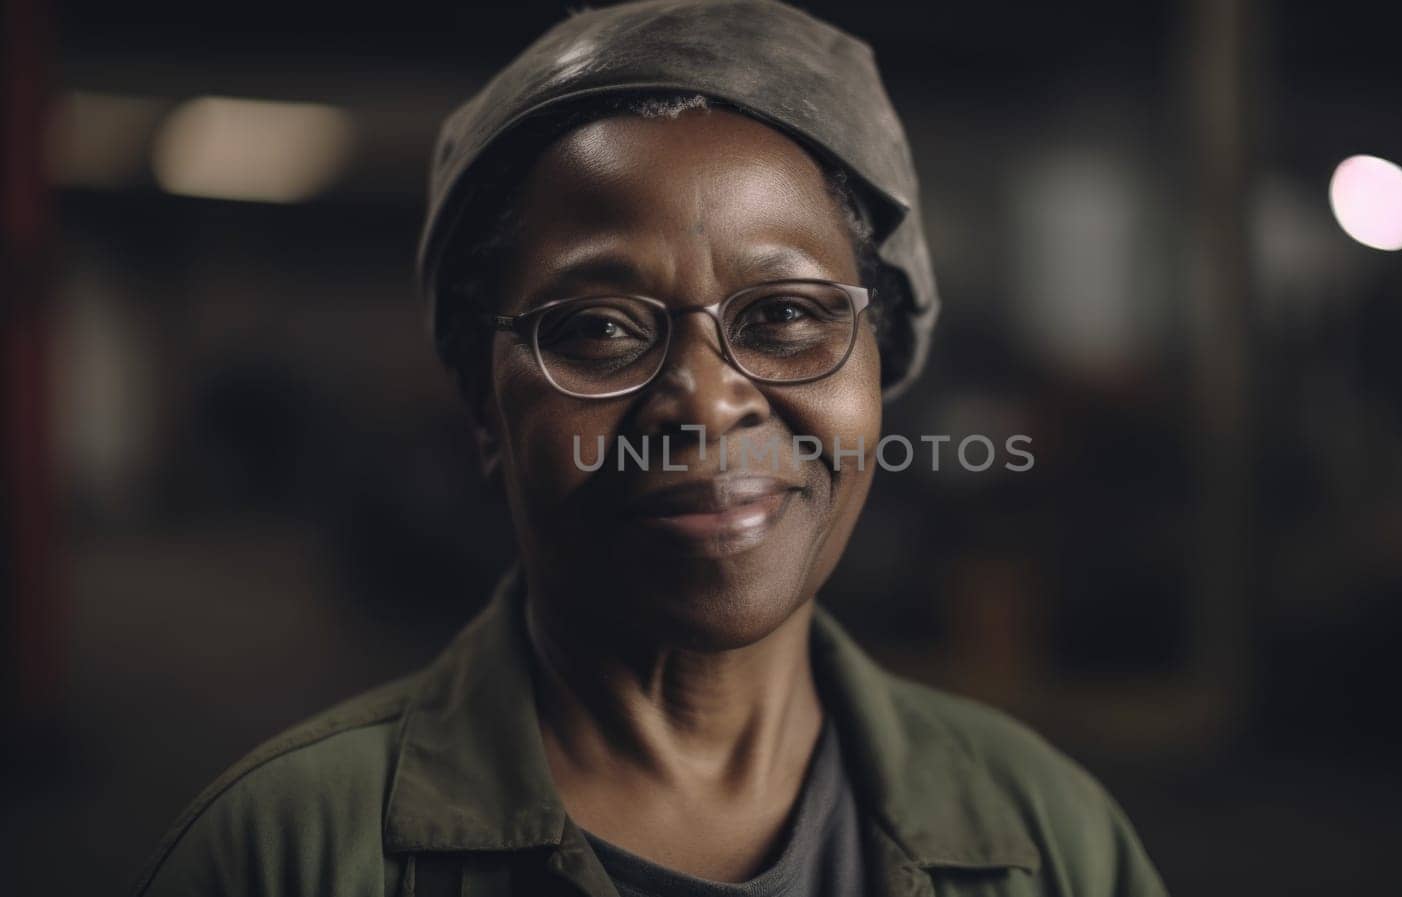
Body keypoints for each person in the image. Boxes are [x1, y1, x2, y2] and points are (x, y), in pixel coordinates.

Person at [135, 2, 1168, 895]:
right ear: (483, 407)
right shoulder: (282, 857)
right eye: (597, 329)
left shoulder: (1047, 840)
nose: (707, 404)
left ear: (879, 364)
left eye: (787, 317)